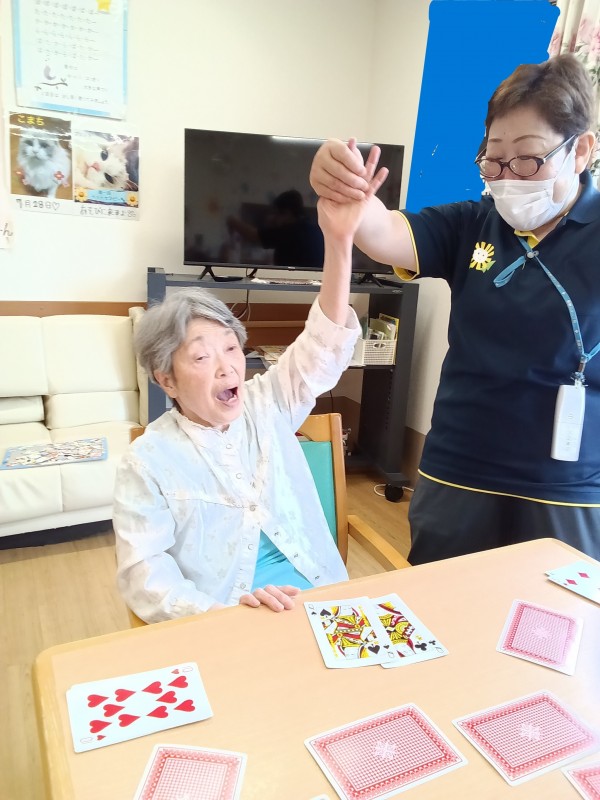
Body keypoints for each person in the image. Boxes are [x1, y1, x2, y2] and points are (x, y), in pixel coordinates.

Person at [309, 54, 600, 564]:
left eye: (528, 158)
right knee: (441, 600)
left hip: (567, 482)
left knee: (552, 611)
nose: (507, 177)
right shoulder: (472, 224)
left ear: (581, 150)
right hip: (459, 468)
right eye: (494, 159)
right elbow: (381, 230)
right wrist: (344, 187)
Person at [113, 164, 385, 623]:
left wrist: (340, 243)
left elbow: (323, 342)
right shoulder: (147, 462)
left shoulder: (268, 402)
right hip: (227, 618)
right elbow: (146, 574)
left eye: (231, 347)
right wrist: (221, 614)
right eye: (202, 357)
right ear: (166, 380)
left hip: (324, 599)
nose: (227, 367)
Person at [227, 189, 324, 268]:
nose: (275, 218)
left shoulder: (289, 231)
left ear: (287, 213)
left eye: (277, 214)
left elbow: (255, 236)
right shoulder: (311, 228)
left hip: (294, 281)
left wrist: (231, 221)